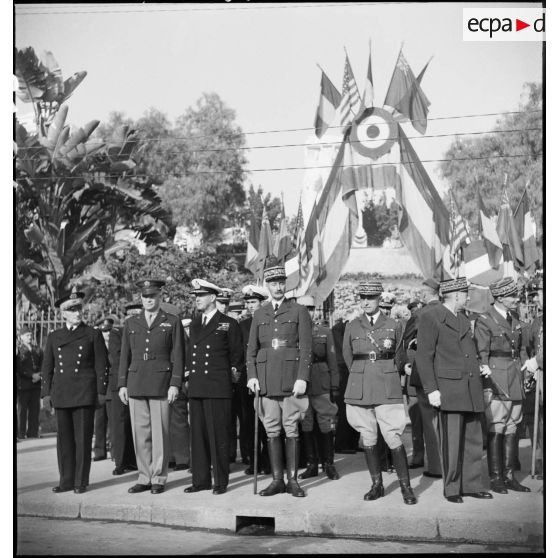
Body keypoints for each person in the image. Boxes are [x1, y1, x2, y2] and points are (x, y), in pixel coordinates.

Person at [415, 277, 492, 503]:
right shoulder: (431, 316)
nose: (467, 297)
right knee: (452, 443)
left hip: (470, 387)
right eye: (465, 294)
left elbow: (466, 352)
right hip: (448, 389)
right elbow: (424, 356)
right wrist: (431, 389)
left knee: (473, 440)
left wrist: (479, 368)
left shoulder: (462, 317)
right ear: (456, 295)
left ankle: (471, 484)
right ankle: (452, 488)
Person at [343, 281, 416, 505]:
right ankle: (377, 484)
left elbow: (399, 355)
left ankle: (406, 487)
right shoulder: (352, 325)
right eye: (363, 298)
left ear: (378, 299)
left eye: (371, 298)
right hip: (361, 386)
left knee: (393, 436)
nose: (366, 302)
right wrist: (360, 374)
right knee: (368, 437)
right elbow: (348, 356)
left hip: (386, 384)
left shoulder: (394, 325)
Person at [246, 259, 313, 498]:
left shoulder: (298, 311)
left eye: (281, 282)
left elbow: (306, 348)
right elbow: (251, 350)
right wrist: (252, 376)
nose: (278, 287)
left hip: (290, 379)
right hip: (265, 379)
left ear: (286, 284)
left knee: (291, 427)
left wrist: (302, 377)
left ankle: (293, 480)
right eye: (273, 283)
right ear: (267, 285)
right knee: (271, 429)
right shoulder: (260, 313)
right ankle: (276, 480)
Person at [118, 279, 185, 495]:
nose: (149, 300)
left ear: (160, 297)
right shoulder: (131, 322)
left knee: (160, 434)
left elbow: (178, 355)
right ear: (141, 299)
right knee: (140, 434)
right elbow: (124, 356)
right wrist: (122, 384)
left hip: (161, 383)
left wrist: (175, 383)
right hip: (136, 382)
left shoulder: (172, 321)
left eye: (153, 296)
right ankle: (144, 476)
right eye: (145, 297)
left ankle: (158, 477)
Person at [41, 289, 108, 494]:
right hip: (62, 393)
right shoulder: (54, 336)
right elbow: (47, 367)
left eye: (78, 308)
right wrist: (46, 394)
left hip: (84, 393)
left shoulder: (92, 334)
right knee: (64, 441)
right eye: (72, 310)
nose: (77, 313)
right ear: (63, 314)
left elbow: (101, 366)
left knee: (83, 439)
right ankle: (66, 480)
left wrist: (100, 392)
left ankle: (80, 481)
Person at [183, 279, 243, 495]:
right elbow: (191, 354)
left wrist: (231, 379)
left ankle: (220, 481)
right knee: (197, 437)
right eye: (195, 296)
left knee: (218, 436)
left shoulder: (228, 323)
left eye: (201, 295)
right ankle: (200, 480)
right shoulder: (196, 323)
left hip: (218, 388)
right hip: (198, 386)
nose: (197, 299)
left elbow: (237, 357)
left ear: (213, 297)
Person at [473, 277, 530, 494]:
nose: (516, 299)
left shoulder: (514, 318)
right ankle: (496, 478)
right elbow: (482, 353)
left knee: (513, 425)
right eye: (512, 296)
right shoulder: (486, 320)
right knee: (496, 425)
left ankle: (509, 476)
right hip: (497, 376)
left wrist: (526, 368)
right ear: (499, 298)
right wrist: (485, 373)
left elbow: (522, 348)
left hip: (515, 375)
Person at [297, 296, 340, 481]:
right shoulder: (292, 332)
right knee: (306, 422)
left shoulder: (324, 331)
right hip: (302, 383)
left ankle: (328, 463)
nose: (309, 311)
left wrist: (335, 384)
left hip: (321, 380)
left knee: (325, 422)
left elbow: (332, 359)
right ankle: (312, 464)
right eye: (305, 308)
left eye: (312, 308)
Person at [406, 279, 443, 479]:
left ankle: (436, 466)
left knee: (429, 422)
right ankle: (450, 464)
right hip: (448, 374)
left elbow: (406, 342)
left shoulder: (421, 314)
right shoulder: (451, 312)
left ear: (426, 294)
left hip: (425, 374)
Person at [99, 315, 136, 476]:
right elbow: (117, 358)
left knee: (133, 423)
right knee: (119, 424)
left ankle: (133, 460)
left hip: (135, 381)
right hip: (118, 383)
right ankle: (120, 461)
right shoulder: (117, 333)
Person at [239, 285, 270, 476]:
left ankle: (268, 460)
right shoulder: (242, 325)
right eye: (248, 303)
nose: (251, 306)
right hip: (247, 379)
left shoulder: (268, 322)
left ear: (261, 303)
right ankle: (253, 460)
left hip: (266, 376)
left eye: (254, 302)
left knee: (267, 420)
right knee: (248, 422)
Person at [331, 316, 360, 454]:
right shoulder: (338, 329)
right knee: (344, 408)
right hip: (344, 371)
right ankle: (342, 443)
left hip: (352, 369)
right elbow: (343, 351)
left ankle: (353, 442)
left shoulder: (353, 327)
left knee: (356, 408)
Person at [402, 300, 425, 469]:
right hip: (414, 387)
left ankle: (432, 456)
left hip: (429, 385)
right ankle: (418, 456)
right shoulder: (409, 347)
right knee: (417, 423)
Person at [168, 317, 192, 472]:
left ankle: (182, 458)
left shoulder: (188, 338)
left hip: (185, 379)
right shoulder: (174, 336)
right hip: (174, 380)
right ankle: (178, 457)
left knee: (180, 419)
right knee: (175, 420)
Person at [16, 326, 43, 440]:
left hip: (36, 384)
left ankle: (32, 432)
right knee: (22, 410)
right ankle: (20, 433)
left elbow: (43, 363)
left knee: (34, 408)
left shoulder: (37, 349)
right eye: (27, 335)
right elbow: (19, 367)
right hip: (24, 384)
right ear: (21, 337)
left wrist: (39, 375)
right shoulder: (19, 350)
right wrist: (31, 375)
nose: (30, 337)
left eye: (30, 335)